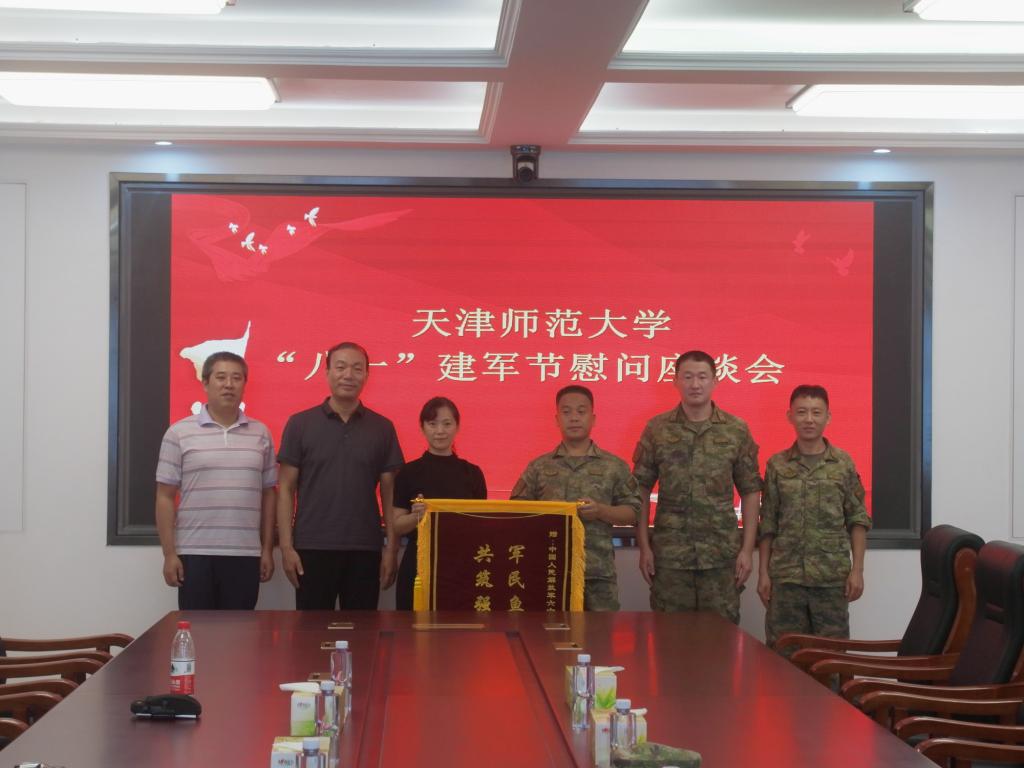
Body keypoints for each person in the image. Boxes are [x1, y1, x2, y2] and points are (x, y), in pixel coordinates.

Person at [632, 350, 762, 622]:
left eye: (702, 377)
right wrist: (644, 546)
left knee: (721, 638)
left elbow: (750, 491)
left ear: (715, 381)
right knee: (670, 637)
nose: (695, 384)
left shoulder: (736, 430)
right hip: (671, 558)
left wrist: (747, 550)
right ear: (675, 381)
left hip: (721, 557)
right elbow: (640, 490)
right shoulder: (657, 429)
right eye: (688, 377)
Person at [276, 341, 404, 610]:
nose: (349, 375)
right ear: (327, 372)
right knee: (310, 632)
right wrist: (286, 547)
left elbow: (390, 493)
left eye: (357, 368)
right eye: (341, 367)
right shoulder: (300, 424)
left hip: (365, 547)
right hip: (312, 546)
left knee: (362, 630)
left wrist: (391, 549)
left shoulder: (382, 428)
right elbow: (285, 488)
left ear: (367, 375)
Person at [155, 351, 277, 610]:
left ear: (244, 384)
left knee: (240, 631)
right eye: (221, 377)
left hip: (245, 553)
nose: (229, 384)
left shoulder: (261, 434)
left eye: (236, 378)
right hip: (194, 553)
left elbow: (269, 494)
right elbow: (164, 497)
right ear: (205, 383)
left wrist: (267, 549)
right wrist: (169, 554)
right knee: (198, 629)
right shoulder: (178, 433)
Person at [757, 385, 871, 652]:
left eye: (816, 412)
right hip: (786, 579)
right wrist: (763, 574)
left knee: (831, 657)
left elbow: (857, 520)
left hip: (830, 580)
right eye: (802, 412)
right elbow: (768, 523)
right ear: (790, 416)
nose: (809, 419)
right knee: (783, 656)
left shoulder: (843, 463)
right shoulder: (777, 465)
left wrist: (857, 571)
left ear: (828, 417)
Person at [511, 385, 641, 611]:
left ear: (593, 418)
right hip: (549, 573)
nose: (574, 418)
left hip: (597, 575)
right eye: (566, 412)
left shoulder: (614, 466)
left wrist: (601, 511)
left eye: (581, 411)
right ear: (557, 419)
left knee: (599, 633)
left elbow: (633, 512)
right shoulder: (539, 467)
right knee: (547, 633)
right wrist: (545, 515)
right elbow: (515, 510)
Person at [391, 397, 487, 610]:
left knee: (460, 628)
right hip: (418, 564)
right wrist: (416, 516)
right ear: (422, 428)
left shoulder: (472, 473)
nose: (440, 431)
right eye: (432, 424)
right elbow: (397, 525)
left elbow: (481, 525)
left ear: (457, 427)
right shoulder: (408, 472)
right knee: (412, 627)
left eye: (447, 423)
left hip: (462, 564)